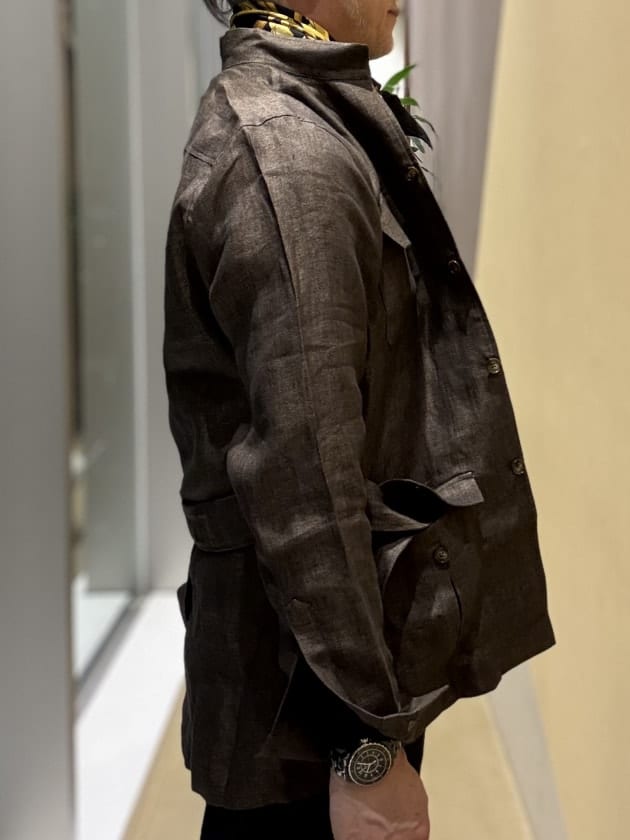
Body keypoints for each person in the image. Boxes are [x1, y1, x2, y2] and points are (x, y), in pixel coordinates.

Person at [162, 1, 557, 838]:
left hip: (317, 677)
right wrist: (368, 748)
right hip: (308, 713)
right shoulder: (289, 155)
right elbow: (302, 480)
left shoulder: (302, 120)